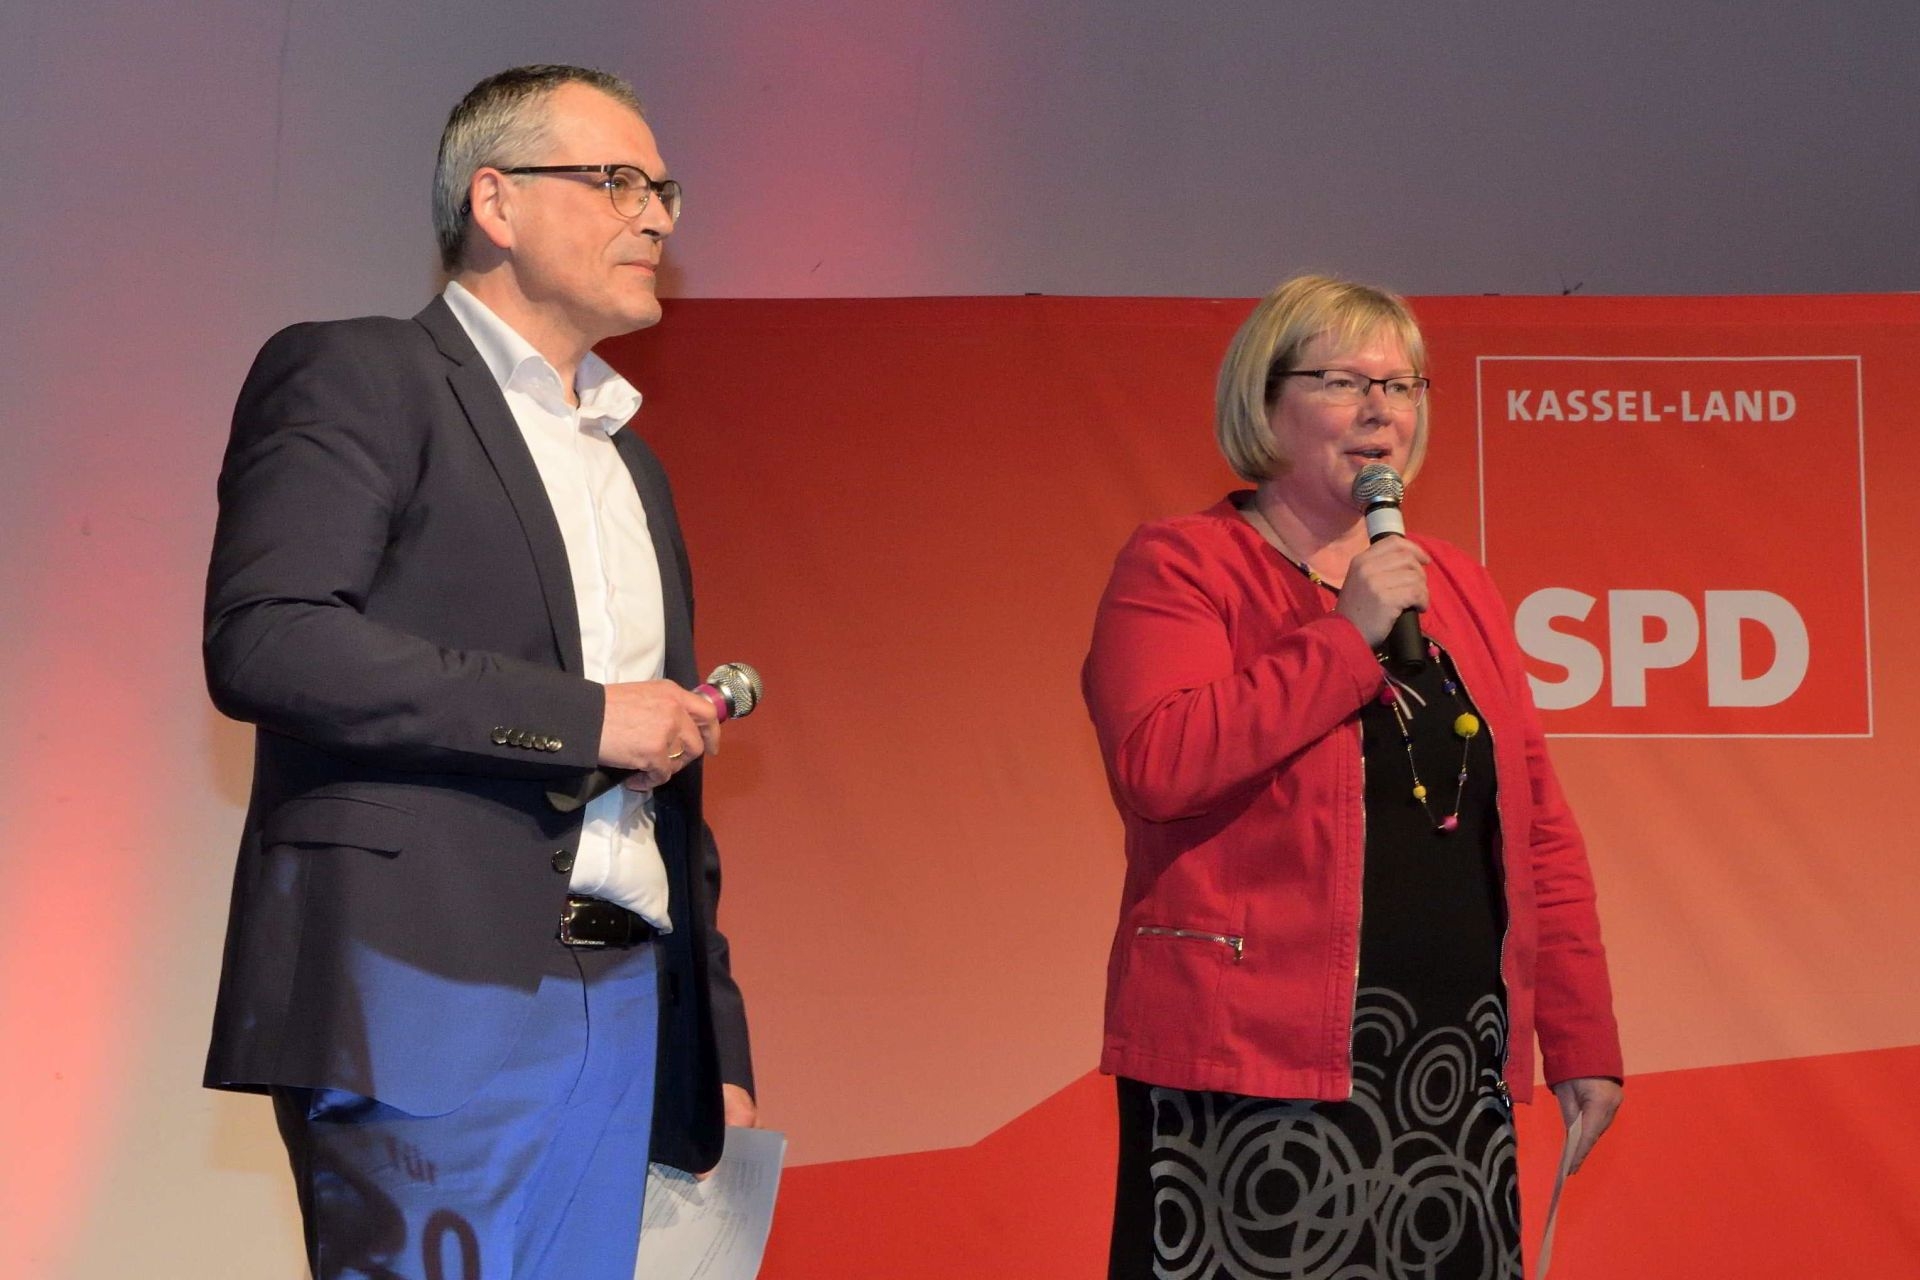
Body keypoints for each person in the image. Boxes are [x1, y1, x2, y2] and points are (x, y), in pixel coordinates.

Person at [202, 65, 755, 1280]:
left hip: (626, 1001)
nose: (657, 219)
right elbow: (272, 637)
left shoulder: (633, 465)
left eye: (665, 192)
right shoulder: (361, 373)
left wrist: (713, 1039)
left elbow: (667, 774)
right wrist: (584, 719)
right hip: (424, 988)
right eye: (618, 182)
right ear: (495, 202)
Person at [1083, 275, 1622, 1279]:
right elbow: (1160, 763)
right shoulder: (1183, 565)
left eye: (1402, 385)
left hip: (1446, 1068)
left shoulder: (1457, 583)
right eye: (1343, 381)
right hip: (1251, 1067)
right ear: (1265, 403)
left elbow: (1536, 824)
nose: (1382, 410)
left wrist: (1580, 1034)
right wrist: (1345, 635)